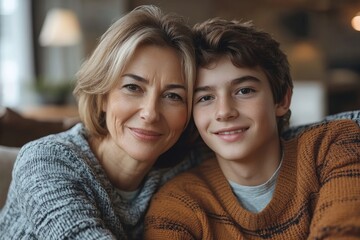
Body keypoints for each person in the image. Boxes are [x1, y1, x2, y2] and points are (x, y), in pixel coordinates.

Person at [144, 18, 360, 239]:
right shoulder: (178, 202)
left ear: (282, 99)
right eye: (206, 97)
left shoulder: (332, 146)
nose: (224, 111)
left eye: (244, 91)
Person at [0, 5, 201, 239]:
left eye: (173, 96)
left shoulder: (184, 166)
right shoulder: (43, 162)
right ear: (102, 96)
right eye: (132, 88)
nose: (150, 113)